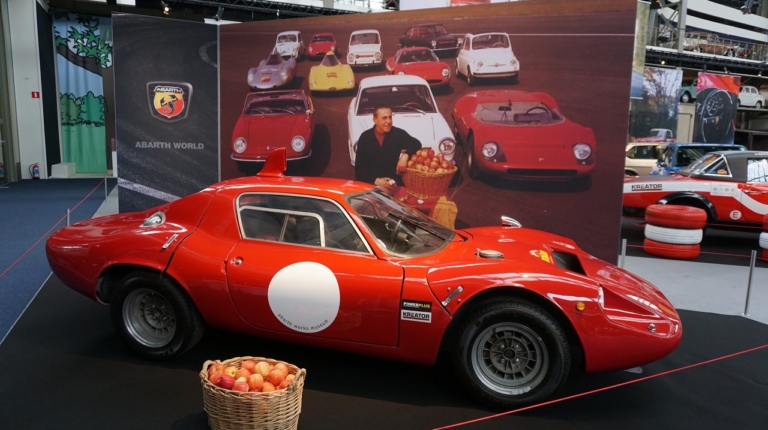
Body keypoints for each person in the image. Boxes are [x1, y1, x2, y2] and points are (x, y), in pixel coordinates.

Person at [354, 105, 422, 190]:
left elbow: (416, 143)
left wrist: (406, 155)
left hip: (391, 184)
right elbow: (359, 168)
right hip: (370, 185)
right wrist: (375, 180)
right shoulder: (365, 137)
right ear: (375, 120)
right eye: (384, 118)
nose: (389, 121)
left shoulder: (398, 134)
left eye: (390, 117)